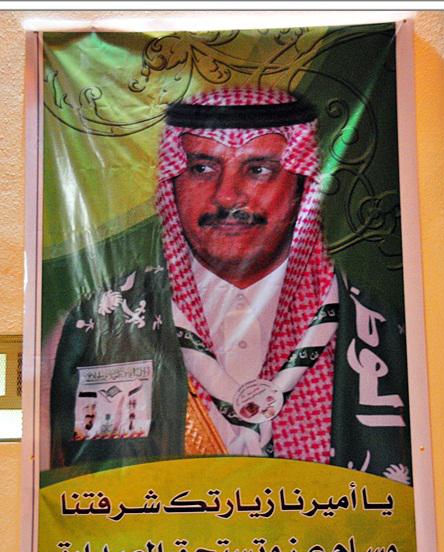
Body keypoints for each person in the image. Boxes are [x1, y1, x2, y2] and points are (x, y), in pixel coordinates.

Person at [50, 86, 412, 482]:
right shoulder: (98, 326)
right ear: (173, 183)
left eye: (258, 170)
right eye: (202, 169)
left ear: (300, 188)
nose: (226, 196)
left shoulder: (384, 333)